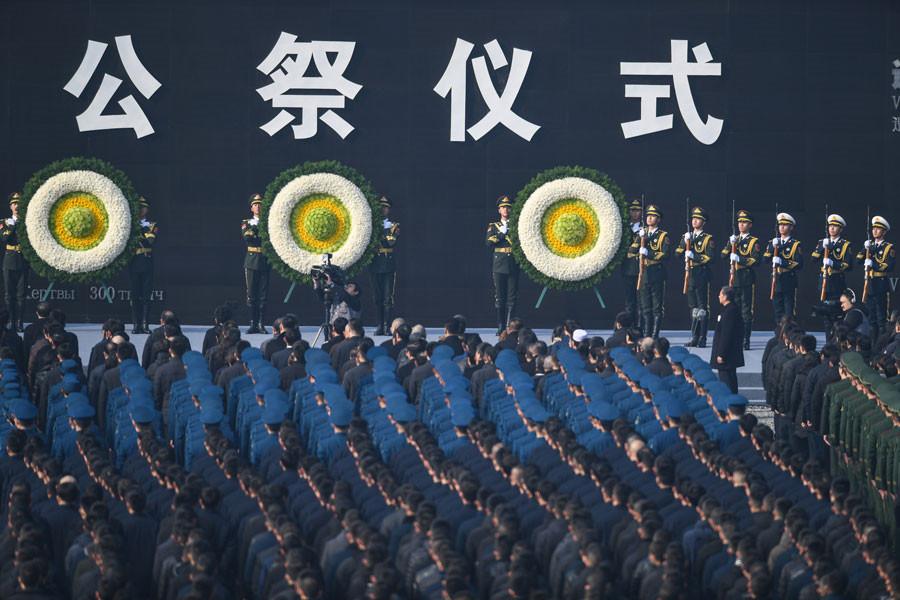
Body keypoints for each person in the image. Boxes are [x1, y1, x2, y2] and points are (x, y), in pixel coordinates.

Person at [675, 206, 715, 347]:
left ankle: (702, 338)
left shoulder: (707, 238)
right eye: (693, 218)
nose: (695, 221)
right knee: (693, 308)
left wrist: (694, 256)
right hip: (690, 274)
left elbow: (710, 257)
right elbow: (677, 253)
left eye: (698, 219)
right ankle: (694, 337)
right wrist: (685, 244)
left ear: (703, 222)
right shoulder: (687, 237)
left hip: (701, 273)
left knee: (702, 308)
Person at [721, 209, 761, 350]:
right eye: (739, 222)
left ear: (750, 225)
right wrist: (730, 245)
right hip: (734, 279)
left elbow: (756, 260)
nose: (741, 225)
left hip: (746, 279)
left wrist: (739, 259)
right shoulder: (734, 240)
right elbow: (723, 255)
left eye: (744, 222)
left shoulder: (753, 241)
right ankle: (735, 337)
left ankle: (745, 339)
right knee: (734, 310)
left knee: (746, 311)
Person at [631, 204, 671, 339]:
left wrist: (649, 253)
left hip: (656, 272)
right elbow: (632, 250)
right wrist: (641, 239)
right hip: (644, 272)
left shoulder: (663, 236)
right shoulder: (642, 233)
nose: (649, 218)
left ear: (658, 219)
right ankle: (646, 334)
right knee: (645, 306)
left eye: (653, 216)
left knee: (656, 307)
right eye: (648, 216)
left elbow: (665, 255)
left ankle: (654, 335)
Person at [811, 213, 853, 335]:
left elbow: (848, 265)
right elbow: (813, 259)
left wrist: (833, 263)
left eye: (835, 226)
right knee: (826, 314)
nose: (832, 228)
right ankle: (828, 340)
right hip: (824, 281)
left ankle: (837, 339)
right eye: (830, 226)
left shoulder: (845, 245)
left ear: (840, 229)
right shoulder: (822, 242)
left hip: (837, 281)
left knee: (837, 313)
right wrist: (822, 248)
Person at [856, 215, 894, 340]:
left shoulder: (888, 247)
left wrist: (874, 265)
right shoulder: (869, 245)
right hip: (870, 285)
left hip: (881, 284)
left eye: (878, 229)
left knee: (881, 319)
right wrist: (865, 249)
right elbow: (858, 260)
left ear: (884, 231)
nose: (875, 231)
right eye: (873, 228)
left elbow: (889, 266)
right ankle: (873, 346)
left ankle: (882, 346)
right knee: (871, 319)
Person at [486, 195, 519, 335]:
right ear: (499, 210)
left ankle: (509, 327)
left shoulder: (516, 226)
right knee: (500, 297)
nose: (506, 209)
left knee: (512, 297)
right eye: (503, 207)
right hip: (499, 265)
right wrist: (501, 234)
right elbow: (488, 242)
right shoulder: (493, 226)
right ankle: (500, 326)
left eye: (508, 207)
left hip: (513, 263)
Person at [763, 212, 803, 326]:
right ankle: (779, 334)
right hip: (776, 278)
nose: (782, 227)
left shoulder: (795, 244)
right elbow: (764, 260)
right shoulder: (773, 242)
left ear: (791, 227)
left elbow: (799, 264)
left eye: (785, 225)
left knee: (789, 311)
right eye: (780, 225)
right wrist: (772, 248)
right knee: (778, 311)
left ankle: (790, 334)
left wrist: (782, 262)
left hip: (788, 278)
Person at [129, 197, 158, 334]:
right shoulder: (130, 225)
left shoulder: (151, 224)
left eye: (143, 208)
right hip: (134, 262)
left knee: (146, 295)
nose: (141, 210)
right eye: (139, 208)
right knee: (134, 295)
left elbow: (150, 241)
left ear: (147, 209)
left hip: (146, 261)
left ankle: (145, 324)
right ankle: (136, 324)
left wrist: (142, 230)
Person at [371, 196, 399, 336]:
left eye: (385, 207)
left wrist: (382, 231)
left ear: (389, 210)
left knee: (388, 298)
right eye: (381, 207)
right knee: (377, 297)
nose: (383, 209)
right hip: (375, 263)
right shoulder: (371, 225)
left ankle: (387, 326)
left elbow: (390, 243)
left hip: (388, 264)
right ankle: (379, 325)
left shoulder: (393, 226)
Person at [242, 193, 270, 334]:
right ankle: (253, 324)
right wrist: (258, 234)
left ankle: (261, 324)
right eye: (255, 204)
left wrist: (257, 234)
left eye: (260, 204)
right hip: (252, 261)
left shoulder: (268, 223)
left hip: (264, 260)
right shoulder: (247, 222)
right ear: (251, 208)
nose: (258, 207)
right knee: (251, 294)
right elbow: (248, 239)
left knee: (263, 295)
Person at [710, 286, 744, 393]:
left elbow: (727, 334)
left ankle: (730, 401)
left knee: (727, 382)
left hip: (727, 356)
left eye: (720, 294)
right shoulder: (728, 310)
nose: (718, 296)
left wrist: (721, 353)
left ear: (725, 296)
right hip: (728, 355)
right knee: (729, 380)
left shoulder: (730, 311)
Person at [1, 192, 26, 332]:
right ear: (10, 206)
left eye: (19, 204)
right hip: (9, 260)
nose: (17, 206)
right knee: (9, 294)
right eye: (14, 204)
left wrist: (20, 224)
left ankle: (19, 321)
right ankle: (10, 321)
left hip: (22, 260)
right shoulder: (4, 222)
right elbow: (4, 239)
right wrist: (12, 226)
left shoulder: (27, 222)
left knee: (21, 295)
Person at [621, 199, 643, 332]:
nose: (635, 213)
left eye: (638, 210)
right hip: (628, 267)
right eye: (633, 210)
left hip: (641, 269)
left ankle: (641, 328)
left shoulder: (645, 228)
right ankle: (630, 328)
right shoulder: (624, 228)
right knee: (630, 301)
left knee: (642, 301)